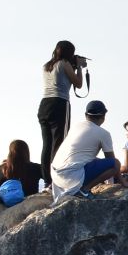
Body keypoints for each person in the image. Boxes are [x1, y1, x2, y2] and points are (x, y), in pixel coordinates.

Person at [51, 100, 118, 199]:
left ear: (86, 115)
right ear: (103, 117)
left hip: (55, 175)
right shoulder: (104, 134)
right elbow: (112, 162)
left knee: (93, 159)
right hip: (72, 177)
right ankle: (84, 190)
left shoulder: (76, 126)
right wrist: (122, 181)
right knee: (116, 163)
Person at [37, 40, 86, 174]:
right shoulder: (64, 64)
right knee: (59, 143)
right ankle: (56, 177)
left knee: (47, 144)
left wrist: (74, 65)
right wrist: (80, 67)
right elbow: (79, 83)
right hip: (60, 103)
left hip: (44, 105)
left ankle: (46, 179)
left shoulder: (47, 65)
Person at [0, 140, 44, 206]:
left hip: (8, 203)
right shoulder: (36, 167)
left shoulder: (3, 168)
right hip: (30, 202)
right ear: (26, 152)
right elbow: (48, 178)